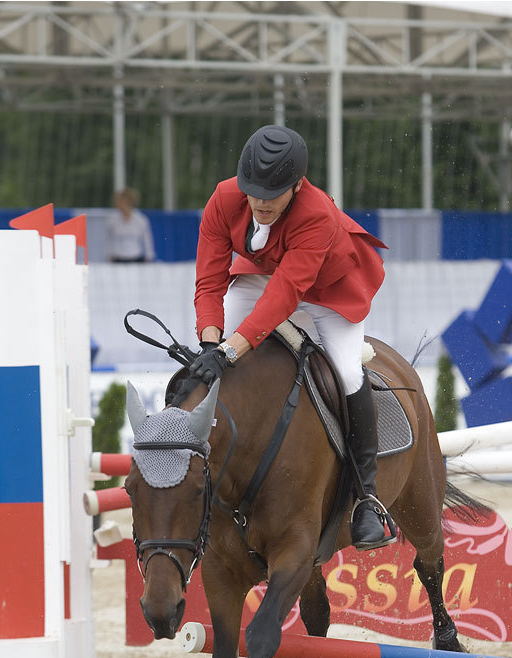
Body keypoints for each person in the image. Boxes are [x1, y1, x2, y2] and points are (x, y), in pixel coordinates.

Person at [190, 124, 394, 550]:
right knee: (214, 359)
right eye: (254, 192)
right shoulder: (223, 199)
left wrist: (229, 351)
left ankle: (367, 499)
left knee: (347, 373)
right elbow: (209, 281)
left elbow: (284, 297)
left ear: (298, 185)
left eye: (274, 193)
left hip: (328, 290)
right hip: (262, 276)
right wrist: (211, 345)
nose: (261, 202)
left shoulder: (316, 213)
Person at [106, 188, 155, 263]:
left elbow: (147, 241)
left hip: (136, 258)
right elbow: (108, 241)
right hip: (117, 259)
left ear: (129, 202)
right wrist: (108, 257)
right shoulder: (112, 220)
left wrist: (149, 258)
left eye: (121, 201)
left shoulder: (141, 219)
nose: (118, 204)